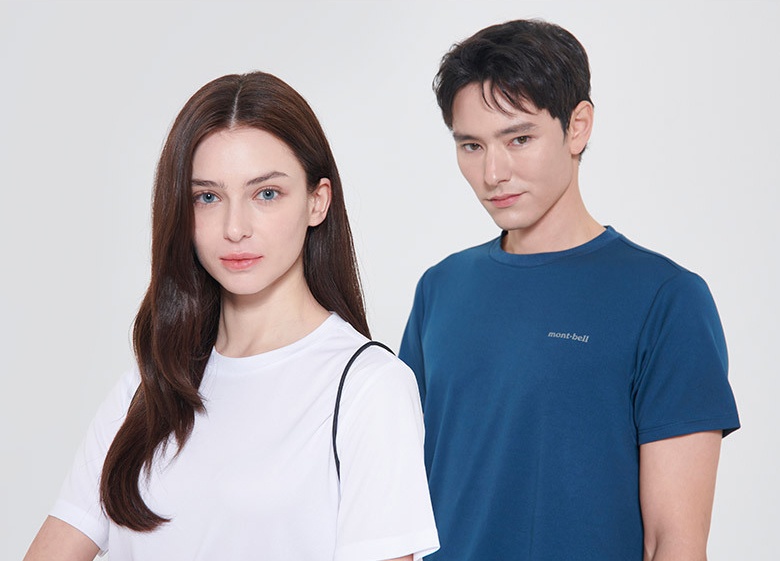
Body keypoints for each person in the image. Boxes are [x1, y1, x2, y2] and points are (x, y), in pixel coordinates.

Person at [24, 71, 439, 561]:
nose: (234, 228)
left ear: (317, 201)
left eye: (266, 194)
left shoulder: (369, 388)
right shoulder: (148, 385)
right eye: (207, 197)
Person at [399, 19, 739, 561]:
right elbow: (398, 503)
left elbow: (674, 541)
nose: (493, 172)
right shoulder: (440, 289)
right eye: (471, 145)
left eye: (519, 138)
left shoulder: (666, 299)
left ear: (577, 127)